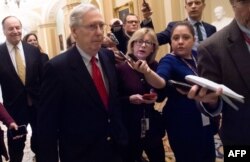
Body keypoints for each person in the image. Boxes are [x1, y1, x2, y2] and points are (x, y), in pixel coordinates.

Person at [37, 3, 127, 162]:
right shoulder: (56, 68)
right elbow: (47, 125)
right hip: (81, 154)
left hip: (115, 149)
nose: (99, 32)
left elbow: (113, 103)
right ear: (74, 31)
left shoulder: (107, 57)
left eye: (101, 25)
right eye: (92, 26)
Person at [132, 21, 217, 162]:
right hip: (181, 122)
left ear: (194, 40)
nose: (180, 42)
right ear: (170, 41)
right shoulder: (168, 60)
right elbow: (160, 82)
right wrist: (148, 72)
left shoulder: (198, 56)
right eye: (176, 38)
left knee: (208, 156)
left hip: (204, 117)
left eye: (185, 37)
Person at [189, 0, 250, 146]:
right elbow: (210, 101)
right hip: (241, 142)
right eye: (244, 1)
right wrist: (211, 101)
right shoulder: (212, 48)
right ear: (233, 3)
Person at [116, 28, 165, 162]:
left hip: (152, 123)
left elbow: (161, 92)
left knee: (159, 158)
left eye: (148, 43)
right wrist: (129, 99)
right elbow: (113, 100)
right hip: (129, 125)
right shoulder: (121, 68)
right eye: (139, 41)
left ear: (152, 48)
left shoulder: (155, 66)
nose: (143, 45)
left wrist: (156, 96)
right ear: (132, 45)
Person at [0, 16, 42, 162]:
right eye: (11, 28)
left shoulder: (33, 51)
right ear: (4, 30)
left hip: (37, 107)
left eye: (18, 27)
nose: (15, 31)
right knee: (16, 149)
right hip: (14, 111)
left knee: (42, 143)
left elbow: (42, 80)